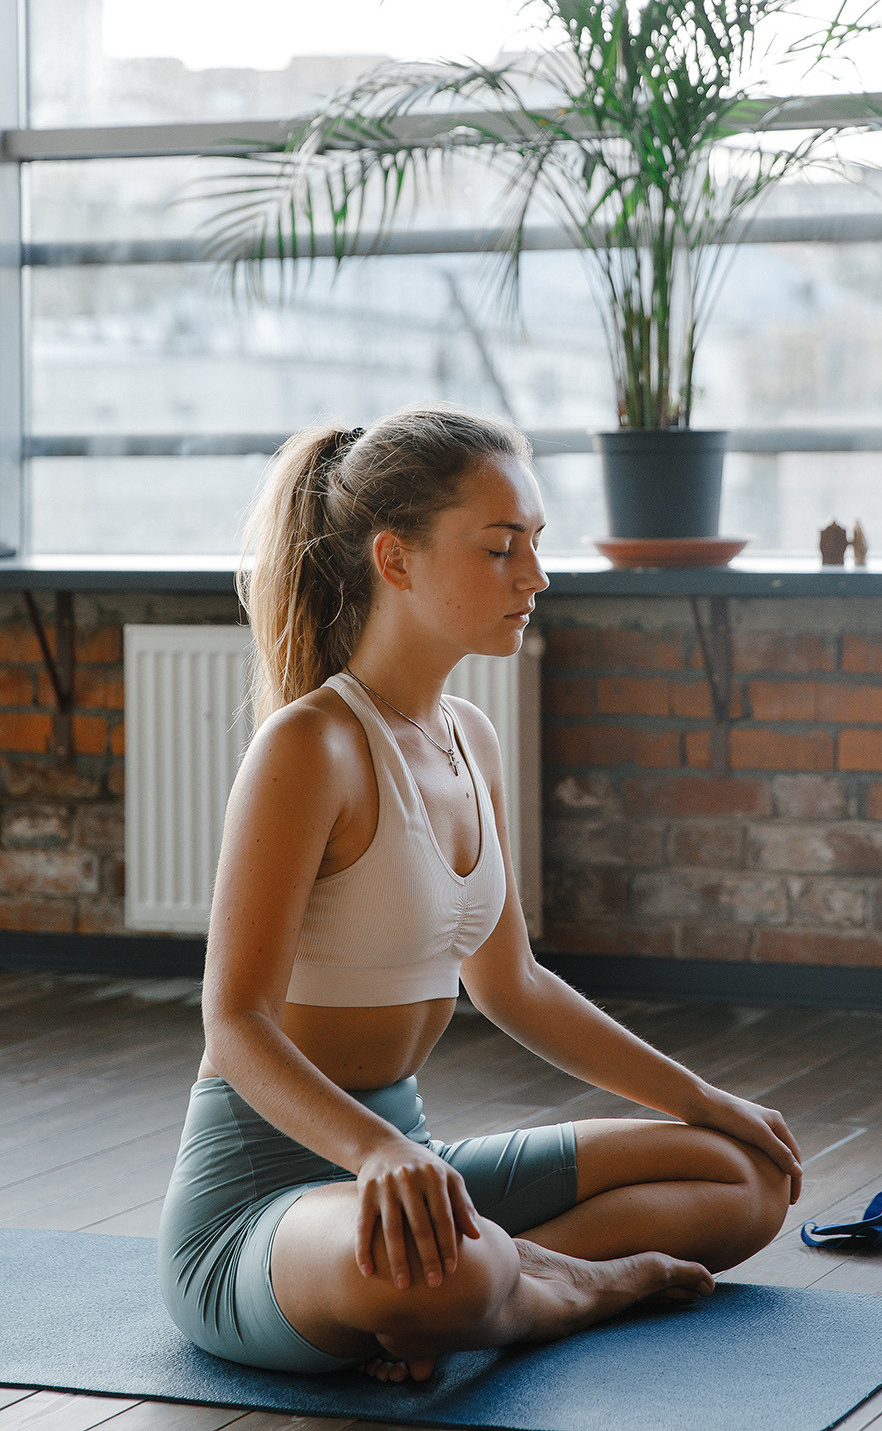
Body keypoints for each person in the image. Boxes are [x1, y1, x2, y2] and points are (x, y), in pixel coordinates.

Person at [158, 407, 800, 1381]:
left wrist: (704, 1100)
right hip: (264, 1204)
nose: (535, 577)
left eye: (535, 544)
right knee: (445, 1274)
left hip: (413, 1164)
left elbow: (514, 985)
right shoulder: (311, 747)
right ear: (396, 559)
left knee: (747, 1178)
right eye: (502, 548)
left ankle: (507, 1285)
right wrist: (376, 1154)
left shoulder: (470, 738)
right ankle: (559, 1286)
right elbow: (235, 1022)